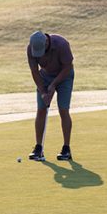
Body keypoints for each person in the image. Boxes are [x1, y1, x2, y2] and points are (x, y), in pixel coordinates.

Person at [27, 30, 74, 161]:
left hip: (65, 77)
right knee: (41, 109)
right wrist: (43, 92)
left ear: (46, 42)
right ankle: (38, 148)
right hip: (45, 76)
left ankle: (66, 149)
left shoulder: (61, 44)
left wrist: (53, 85)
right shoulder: (31, 48)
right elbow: (34, 71)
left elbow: (68, 67)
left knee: (63, 110)